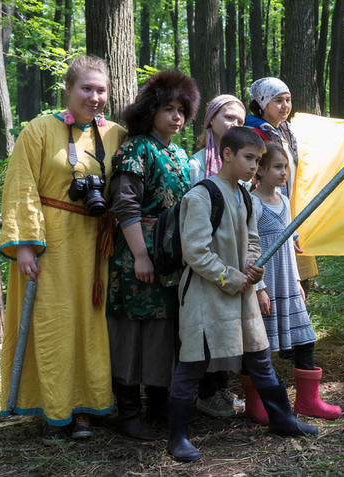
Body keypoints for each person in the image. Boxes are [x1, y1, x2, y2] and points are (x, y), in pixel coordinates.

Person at [168, 127, 317, 463]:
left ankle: (283, 420)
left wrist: (253, 266)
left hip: (242, 293)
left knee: (260, 359)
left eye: (258, 160)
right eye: (248, 158)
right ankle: (177, 437)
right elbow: (195, 251)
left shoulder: (246, 198)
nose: (254, 166)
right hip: (205, 297)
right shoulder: (201, 196)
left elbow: (252, 241)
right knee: (193, 365)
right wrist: (233, 277)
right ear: (227, 154)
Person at [0, 55, 126, 443]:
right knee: (54, 326)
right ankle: (55, 413)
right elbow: (21, 188)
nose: (94, 97)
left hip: (97, 247)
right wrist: (24, 246)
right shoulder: (38, 131)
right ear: (68, 89)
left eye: (101, 90)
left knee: (90, 327)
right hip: (49, 247)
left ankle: (85, 409)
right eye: (86, 88)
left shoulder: (116, 134)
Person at [107, 71, 199, 440]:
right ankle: (128, 414)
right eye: (167, 109)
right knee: (133, 332)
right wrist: (141, 256)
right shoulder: (135, 148)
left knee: (165, 330)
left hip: (171, 254)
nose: (176, 116)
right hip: (137, 254)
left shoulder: (178, 153)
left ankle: (159, 407)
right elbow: (124, 205)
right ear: (151, 110)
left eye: (181, 109)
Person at [248, 143, 342, 423]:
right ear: (261, 170)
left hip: (287, 281)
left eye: (285, 167)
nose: (283, 172)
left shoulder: (285, 202)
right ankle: (257, 403)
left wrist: (298, 280)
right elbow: (248, 249)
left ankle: (308, 401)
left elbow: (288, 244)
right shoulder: (252, 203)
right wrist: (258, 289)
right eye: (277, 167)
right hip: (266, 285)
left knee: (306, 340)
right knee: (257, 346)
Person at [189, 94, 249, 418]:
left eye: (239, 120)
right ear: (211, 120)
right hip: (207, 260)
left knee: (228, 322)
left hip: (233, 257)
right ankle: (205, 390)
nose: (234, 124)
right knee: (206, 323)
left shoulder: (242, 166)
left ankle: (221, 386)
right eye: (228, 118)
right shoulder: (197, 163)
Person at [244, 77, 319, 293]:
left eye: (288, 100)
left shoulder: (287, 132)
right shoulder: (254, 133)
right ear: (262, 103)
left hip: (291, 210)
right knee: (274, 274)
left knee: (297, 274)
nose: (285, 106)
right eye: (278, 101)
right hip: (267, 214)